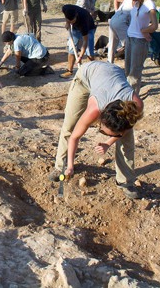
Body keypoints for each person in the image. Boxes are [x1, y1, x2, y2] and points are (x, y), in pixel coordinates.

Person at [49, 61, 144, 199]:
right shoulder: (95, 108)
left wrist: (108, 143)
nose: (103, 134)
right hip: (86, 76)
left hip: (112, 74)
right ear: (101, 117)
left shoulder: (136, 106)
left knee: (127, 140)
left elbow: (125, 130)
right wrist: (70, 166)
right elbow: (75, 137)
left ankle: (126, 181)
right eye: (103, 131)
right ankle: (60, 166)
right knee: (70, 126)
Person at [123, 0, 158, 95]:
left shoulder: (150, 5)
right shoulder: (137, 3)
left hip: (139, 41)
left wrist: (144, 31)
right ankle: (128, 95)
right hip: (130, 38)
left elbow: (154, 25)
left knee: (135, 72)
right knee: (128, 70)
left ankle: (132, 99)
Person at [60, 5, 97, 79]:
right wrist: (67, 22)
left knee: (89, 51)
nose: (71, 22)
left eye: (72, 21)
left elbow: (85, 42)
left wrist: (80, 57)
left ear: (76, 16)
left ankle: (91, 74)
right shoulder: (65, 8)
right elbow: (66, 16)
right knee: (72, 48)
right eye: (69, 20)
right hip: (75, 29)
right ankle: (69, 70)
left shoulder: (84, 23)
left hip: (89, 29)